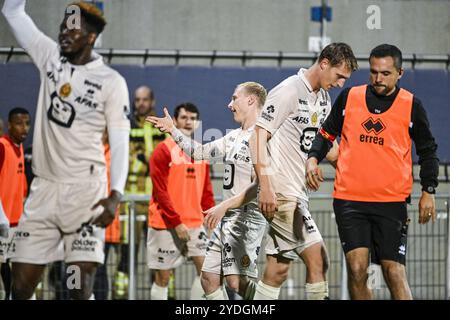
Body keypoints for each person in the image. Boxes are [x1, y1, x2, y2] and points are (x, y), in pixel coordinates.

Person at [204, 43, 358, 300]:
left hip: (296, 194)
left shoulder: (322, 98)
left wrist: (354, 173)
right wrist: (265, 186)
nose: (341, 83)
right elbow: (257, 138)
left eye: (345, 79)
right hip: (282, 194)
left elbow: (324, 144)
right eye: (339, 75)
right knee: (318, 260)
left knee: (277, 272)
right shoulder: (289, 90)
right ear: (324, 64)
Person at [2, 0, 130, 300]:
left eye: (73, 30)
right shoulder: (50, 57)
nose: (63, 34)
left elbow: (120, 141)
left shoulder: (111, 82)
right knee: (20, 287)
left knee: (76, 286)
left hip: (85, 195)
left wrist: (116, 194)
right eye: (62, 28)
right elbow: (12, 12)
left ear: (90, 37)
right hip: (44, 190)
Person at [306, 44, 439, 300]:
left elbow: (428, 150)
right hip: (349, 201)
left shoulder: (412, 105)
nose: (378, 78)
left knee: (393, 272)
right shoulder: (349, 97)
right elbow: (325, 133)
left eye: (386, 73)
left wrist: (428, 190)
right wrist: (313, 158)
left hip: (391, 204)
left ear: (400, 73)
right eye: (374, 72)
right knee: (357, 270)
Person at [147, 82, 268, 300]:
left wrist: (223, 206)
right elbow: (200, 152)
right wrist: (173, 130)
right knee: (208, 278)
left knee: (235, 282)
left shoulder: (263, 136)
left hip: (246, 219)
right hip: (226, 217)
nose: (229, 104)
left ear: (251, 100)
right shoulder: (234, 136)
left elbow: (260, 186)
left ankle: (266, 301)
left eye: (234, 98)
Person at [147, 103, 215, 300]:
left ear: (197, 123)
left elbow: (206, 192)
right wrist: (176, 223)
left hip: (195, 224)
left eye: (192, 118)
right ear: (174, 121)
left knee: (207, 272)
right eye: (184, 118)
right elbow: (160, 191)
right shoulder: (163, 150)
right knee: (163, 277)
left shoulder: (201, 153)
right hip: (166, 224)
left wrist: (210, 218)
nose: (188, 122)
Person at [113, 85, 165, 299]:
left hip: (157, 202)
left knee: (160, 255)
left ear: (152, 102)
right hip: (131, 202)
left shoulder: (162, 127)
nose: (141, 103)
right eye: (137, 100)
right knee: (126, 255)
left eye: (145, 99)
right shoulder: (126, 126)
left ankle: (165, 295)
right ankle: (120, 294)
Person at [0, 108, 31, 300]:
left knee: (10, 268)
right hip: (2, 222)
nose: (25, 128)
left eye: (27, 123)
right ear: (9, 125)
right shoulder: (2, 146)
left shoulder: (18, 147)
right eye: (19, 123)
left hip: (15, 223)